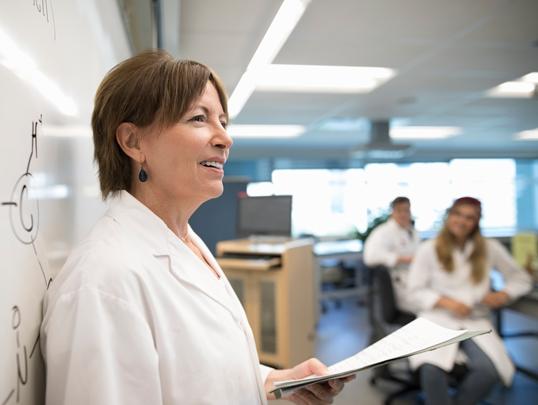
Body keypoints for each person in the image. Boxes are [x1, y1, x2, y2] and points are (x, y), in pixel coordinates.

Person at [40, 50, 352, 405]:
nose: (224, 138)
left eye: (222, 121)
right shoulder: (104, 282)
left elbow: (195, 374)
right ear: (133, 142)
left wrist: (272, 382)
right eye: (199, 118)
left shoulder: (183, 240)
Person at [407, 197, 532, 405]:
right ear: (449, 216)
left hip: (475, 320)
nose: (462, 221)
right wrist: (448, 303)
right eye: (458, 215)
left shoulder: (489, 247)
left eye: (470, 217)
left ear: (476, 222)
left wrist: (504, 294)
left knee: (489, 371)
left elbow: (521, 278)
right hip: (436, 319)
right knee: (431, 369)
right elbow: (413, 292)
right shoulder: (429, 248)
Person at [363, 196, 421, 313]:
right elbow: (370, 257)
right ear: (393, 212)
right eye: (400, 210)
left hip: (415, 278)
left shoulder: (411, 231)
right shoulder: (382, 232)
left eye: (407, 210)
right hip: (399, 284)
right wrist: (403, 259)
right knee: (428, 307)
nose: (404, 214)